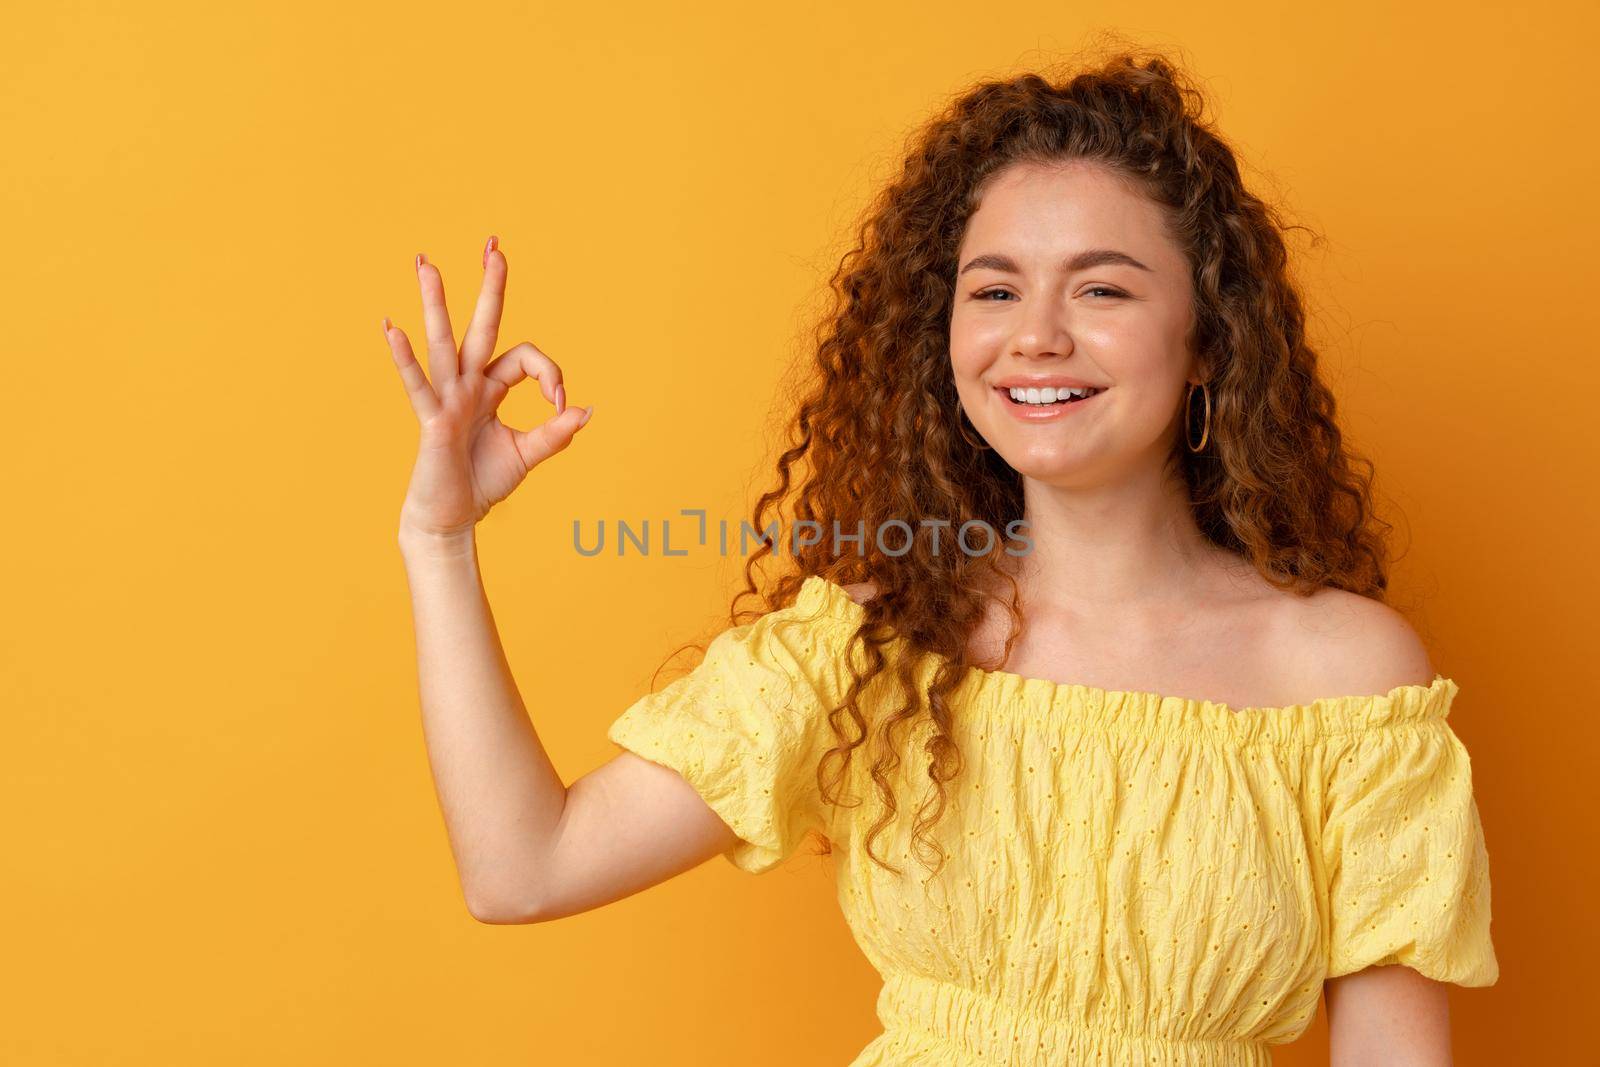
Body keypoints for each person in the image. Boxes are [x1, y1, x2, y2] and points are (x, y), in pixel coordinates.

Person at [380, 48, 1496, 1067]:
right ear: (945, 335)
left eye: (1101, 287)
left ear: (1208, 339)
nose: (1036, 334)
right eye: (995, 289)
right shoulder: (879, 641)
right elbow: (523, 867)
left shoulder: (1347, 681)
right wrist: (439, 543)